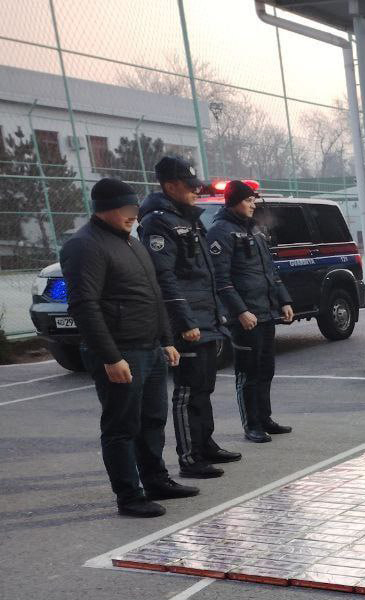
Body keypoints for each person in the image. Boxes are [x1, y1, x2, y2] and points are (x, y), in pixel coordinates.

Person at [61, 178, 199, 517]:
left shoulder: (132, 243)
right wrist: (111, 357)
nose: (133, 214)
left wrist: (166, 340)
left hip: (150, 348)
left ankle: (156, 481)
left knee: (153, 419)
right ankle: (129, 495)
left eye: (134, 208)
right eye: (125, 209)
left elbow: (154, 295)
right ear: (103, 209)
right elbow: (84, 306)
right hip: (121, 352)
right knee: (121, 427)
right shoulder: (84, 246)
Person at [140, 156, 241, 478]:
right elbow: (165, 277)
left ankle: (205, 444)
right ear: (170, 186)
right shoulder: (158, 223)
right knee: (187, 392)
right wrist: (185, 322)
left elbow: (204, 274)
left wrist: (216, 314)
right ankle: (190, 457)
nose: (196, 191)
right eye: (190, 186)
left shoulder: (190, 219)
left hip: (206, 317)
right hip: (188, 322)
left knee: (204, 388)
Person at [208, 180, 294, 443]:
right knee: (248, 372)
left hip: (265, 312)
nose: (253, 204)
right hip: (246, 317)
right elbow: (221, 280)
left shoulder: (254, 230)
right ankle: (252, 425)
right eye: (248, 200)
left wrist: (284, 300)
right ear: (234, 202)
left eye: (253, 200)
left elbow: (270, 271)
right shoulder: (221, 232)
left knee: (266, 369)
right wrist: (241, 311)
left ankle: (265, 418)